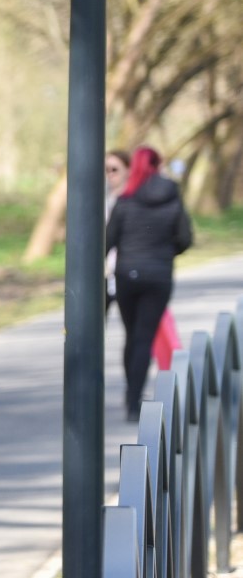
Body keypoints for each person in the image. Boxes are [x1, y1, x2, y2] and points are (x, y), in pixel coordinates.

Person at [108, 145, 194, 421]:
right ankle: (134, 402)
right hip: (159, 276)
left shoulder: (126, 199)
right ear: (158, 165)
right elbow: (185, 238)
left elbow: (108, 240)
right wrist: (165, 253)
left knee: (132, 335)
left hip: (127, 275)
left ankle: (131, 395)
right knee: (145, 337)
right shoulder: (172, 196)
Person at [104, 150, 130, 314]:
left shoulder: (136, 200)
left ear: (128, 170)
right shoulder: (99, 200)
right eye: (106, 170)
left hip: (127, 271)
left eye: (114, 169)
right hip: (104, 271)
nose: (110, 174)